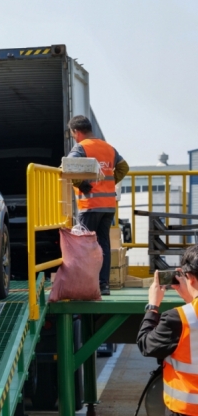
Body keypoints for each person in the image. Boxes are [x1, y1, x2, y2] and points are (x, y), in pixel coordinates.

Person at [67, 115, 129, 295]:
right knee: (103, 244)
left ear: (76, 132)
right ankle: (104, 285)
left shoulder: (80, 148)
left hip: (90, 204)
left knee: (84, 246)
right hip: (108, 206)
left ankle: (86, 285)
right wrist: (108, 183)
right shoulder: (108, 147)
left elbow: (68, 166)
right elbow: (124, 168)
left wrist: (79, 183)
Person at [137, 246, 198, 416]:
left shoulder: (177, 318)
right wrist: (190, 298)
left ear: (190, 278)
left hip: (188, 410)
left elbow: (146, 345)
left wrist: (152, 306)